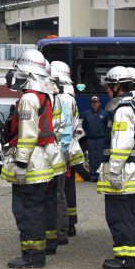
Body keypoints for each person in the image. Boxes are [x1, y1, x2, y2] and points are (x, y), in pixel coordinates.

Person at [1, 49, 58, 268]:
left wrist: (21, 163)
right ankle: (36, 255)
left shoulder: (27, 99)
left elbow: (27, 134)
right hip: (42, 161)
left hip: (30, 164)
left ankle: (31, 256)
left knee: (26, 212)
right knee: (37, 210)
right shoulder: (45, 96)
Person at [98, 66, 135, 269]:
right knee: (128, 215)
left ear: (117, 86)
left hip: (124, 172)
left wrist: (114, 171)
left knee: (119, 216)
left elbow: (121, 143)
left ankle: (124, 258)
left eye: (109, 87)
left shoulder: (123, 110)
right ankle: (127, 256)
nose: (107, 91)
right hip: (134, 170)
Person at [51, 61, 83, 242]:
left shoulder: (61, 99)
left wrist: (60, 151)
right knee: (67, 188)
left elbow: (65, 128)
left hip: (61, 150)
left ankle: (63, 227)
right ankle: (70, 223)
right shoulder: (71, 98)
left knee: (59, 191)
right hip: (70, 148)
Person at [81, 96, 108, 182]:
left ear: (99, 103)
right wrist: (89, 133)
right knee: (91, 158)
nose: (94, 104)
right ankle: (93, 176)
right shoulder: (86, 113)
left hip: (101, 139)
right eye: (93, 102)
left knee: (100, 158)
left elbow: (106, 125)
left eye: (96, 102)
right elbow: (84, 125)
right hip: (90, 139)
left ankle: (99, 175)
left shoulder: (104, 114)